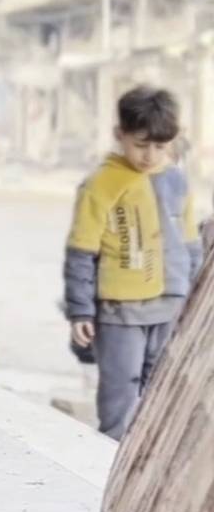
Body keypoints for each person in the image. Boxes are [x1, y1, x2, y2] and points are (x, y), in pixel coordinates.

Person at [65, 86, 202, 440]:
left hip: (170, 306)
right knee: (119, 397)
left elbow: (190, 242)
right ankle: (106, 467)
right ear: (119, 135)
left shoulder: (175, 180)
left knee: (161, 395)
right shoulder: (101, 184)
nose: (149, 155)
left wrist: (197, 295)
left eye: (160, 146)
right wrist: (81, 310)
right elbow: (82, 252)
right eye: (141, 144)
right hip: (120, 311)